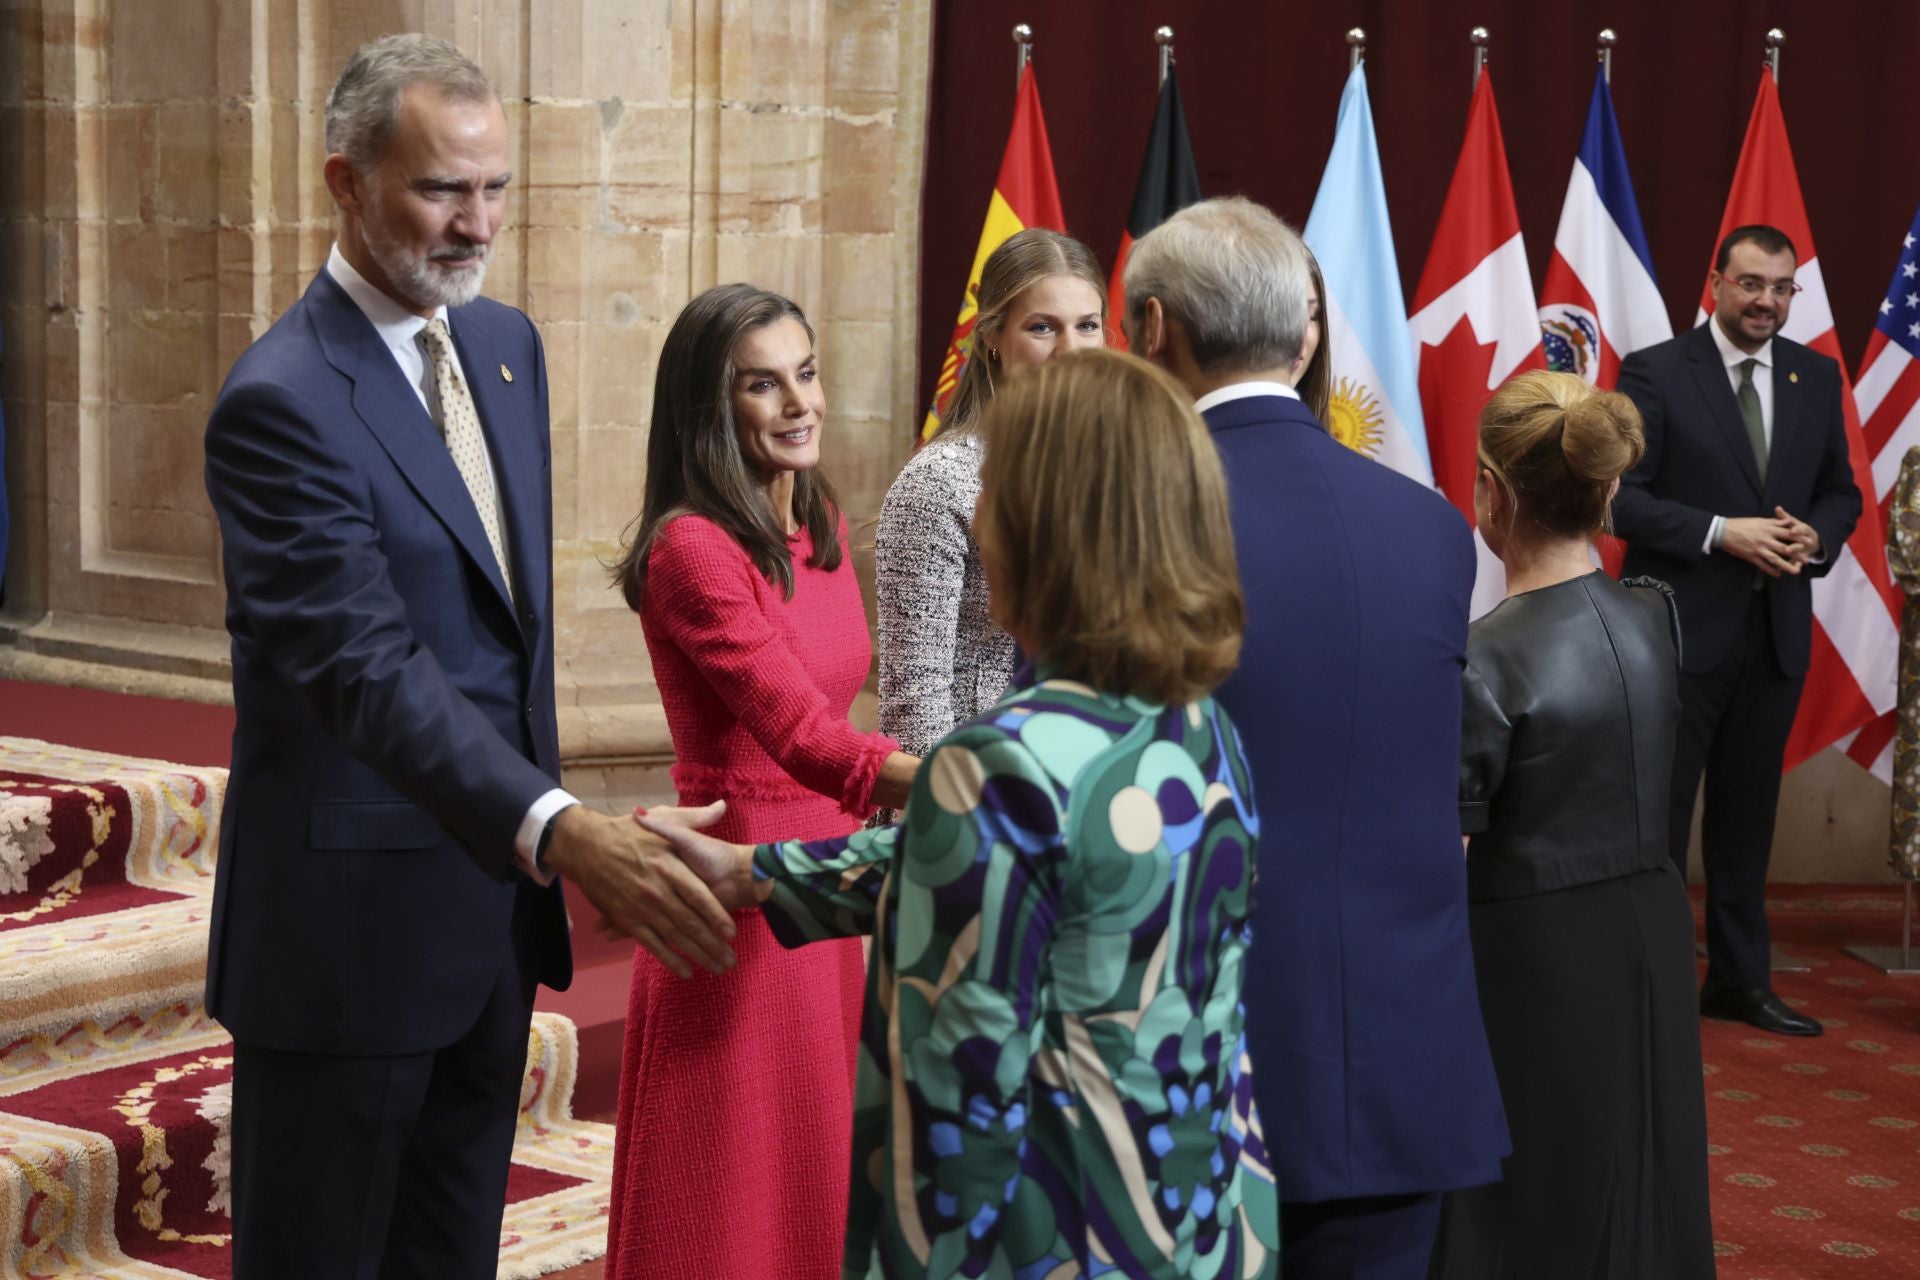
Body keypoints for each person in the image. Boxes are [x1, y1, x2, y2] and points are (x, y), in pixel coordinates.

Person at [201, 34, 734, 1280]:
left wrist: (538, 836)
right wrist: (559, 824)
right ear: (345, 181)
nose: (475, 221)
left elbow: (501, 638)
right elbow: (367, 666)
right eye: (443, 188)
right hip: (344, 947)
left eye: (495, 188)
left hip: (486, 930)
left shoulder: (504, 344)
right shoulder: (281, 399)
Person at [639, 347, 1279, 1279]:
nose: (976, 520)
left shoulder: (1002, 760)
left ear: (1040, 529)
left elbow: (954, 1112)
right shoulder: (1195, 727)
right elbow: (1022, 865)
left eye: (997, 492)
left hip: (1061, 1236)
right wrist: (753, 874)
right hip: (1204, 1219)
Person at [1123, 195, 1508, 1279]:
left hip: (1185, 1057)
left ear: (1152, 328)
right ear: (1307, 336)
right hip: (1401, 1054)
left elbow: (1060, 781)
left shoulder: (1126, 524)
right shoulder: (1434, 527)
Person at [605, 283, 919, 1280]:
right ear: (711, 407)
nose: (798, 403)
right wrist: (982, 783)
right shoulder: (691, 547)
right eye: (761, 385)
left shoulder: (817, 518)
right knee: (726, 1190)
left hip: (822, 871)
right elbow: (801, 732)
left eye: (807, 373)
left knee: (817, 1168)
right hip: (737, 880)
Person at [1428, 370, 1714, 1279]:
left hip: (1530, 946)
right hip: (1655, 922)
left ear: (1491, 490)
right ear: (1611, 488)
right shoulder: (1657, 615)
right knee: (1644, 1159)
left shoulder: (1478, 660)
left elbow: (1449, 855)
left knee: (1533, 1183)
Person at [1614, 224, 1862, 1036]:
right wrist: (1725, 531)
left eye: (1782, 287)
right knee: (1658, 815)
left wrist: (1815, 537)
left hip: (1775, 630)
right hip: (1676, 632)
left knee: (1746, 821)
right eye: (1752, 284)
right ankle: (1645, 980)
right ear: (1715, 281)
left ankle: (1737, 982)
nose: (1767, 301)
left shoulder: (1816, 375)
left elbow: (1841, 491)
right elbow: (1623, 498)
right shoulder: (1654, 372)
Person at [875, 228, 1106, 758]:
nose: (1070, 350)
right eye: (1043, 327)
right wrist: (962, 814)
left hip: (1098, 784)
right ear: (992, 339)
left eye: (1087, 326)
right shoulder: (940, 480)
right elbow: (913, 704)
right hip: (982, 789)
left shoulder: (1121, 469)